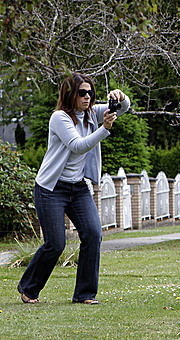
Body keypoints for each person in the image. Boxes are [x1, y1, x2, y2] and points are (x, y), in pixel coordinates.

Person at [17, 73, 130, 304]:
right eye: (82, 93)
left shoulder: (90, 113)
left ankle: (85, 294)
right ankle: (28, 288)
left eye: (90, 93)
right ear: (70, 94)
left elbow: (124, 108)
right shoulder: (60, 118)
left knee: (93, 233)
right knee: (56, 244)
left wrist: (120, 97)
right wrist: (105, 129)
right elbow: (77, 146)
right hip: (51, 189)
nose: (87, 97)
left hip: (77, 188)